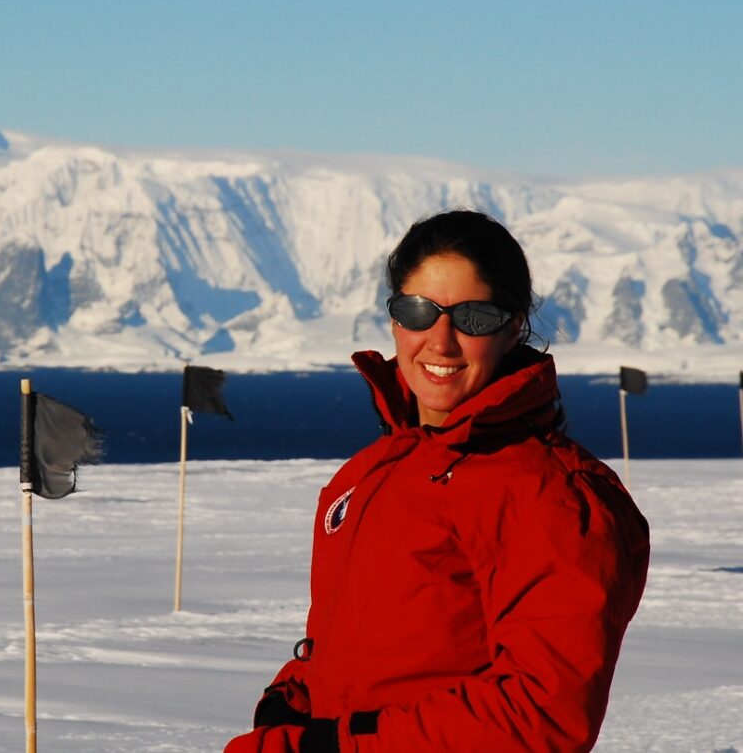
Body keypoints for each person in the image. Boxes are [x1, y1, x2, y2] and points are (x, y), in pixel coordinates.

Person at [224, 210, 650, 753]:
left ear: (513, 324)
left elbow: (540, 718)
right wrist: (292, 698)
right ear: (395, 318)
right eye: (418, 311)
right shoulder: (373, 473)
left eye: (472, 317)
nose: (441, 341)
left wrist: (330, 746)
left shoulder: (552, 496)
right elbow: (359, 650)